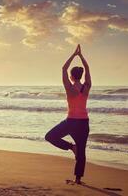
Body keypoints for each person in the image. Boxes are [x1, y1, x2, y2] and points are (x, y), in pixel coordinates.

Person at [45, 44, 91, 184]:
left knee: (50, 136)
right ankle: (78, 179)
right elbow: (87, 69)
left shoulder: (69, 87)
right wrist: (81, 56)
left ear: (71, 76)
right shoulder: (87, 86)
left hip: (70, 122)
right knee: (81, 151)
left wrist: (74, 54)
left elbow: (63, 68)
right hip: (83, 123)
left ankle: (71, 147)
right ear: (81, 75)